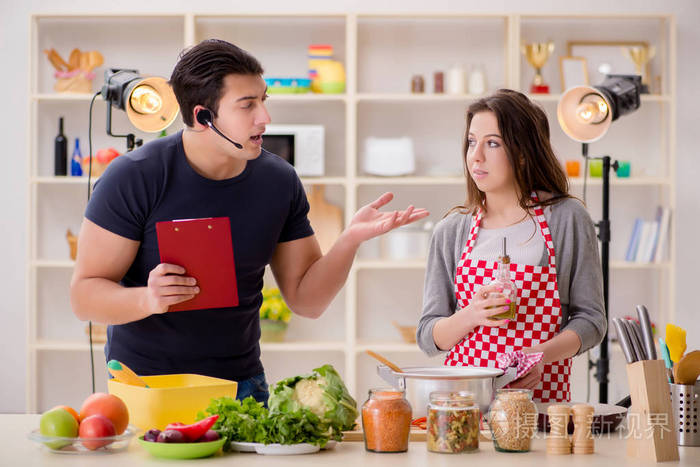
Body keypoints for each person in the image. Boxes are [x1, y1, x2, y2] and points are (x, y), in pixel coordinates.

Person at [70, 39, 428, 403]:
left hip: (242, 388)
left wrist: (350, 239)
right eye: (247, 105)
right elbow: (84, 297)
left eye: (263, 100)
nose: (265, 118)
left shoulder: (278, 180)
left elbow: (308, 301)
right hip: (148, 388)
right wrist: (148, 298)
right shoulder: (134, 177)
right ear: (202, 117)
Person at [417, 89, 606, 403]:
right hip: (465, 410)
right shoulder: (451, 231)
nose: (476, 156)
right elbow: (428, 337)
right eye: (471, 142)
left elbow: (591, 321)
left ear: (522, 152)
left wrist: (541, 356)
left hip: (540, 409)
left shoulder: (567, 219)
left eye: (493, 143)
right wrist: (471, 315)